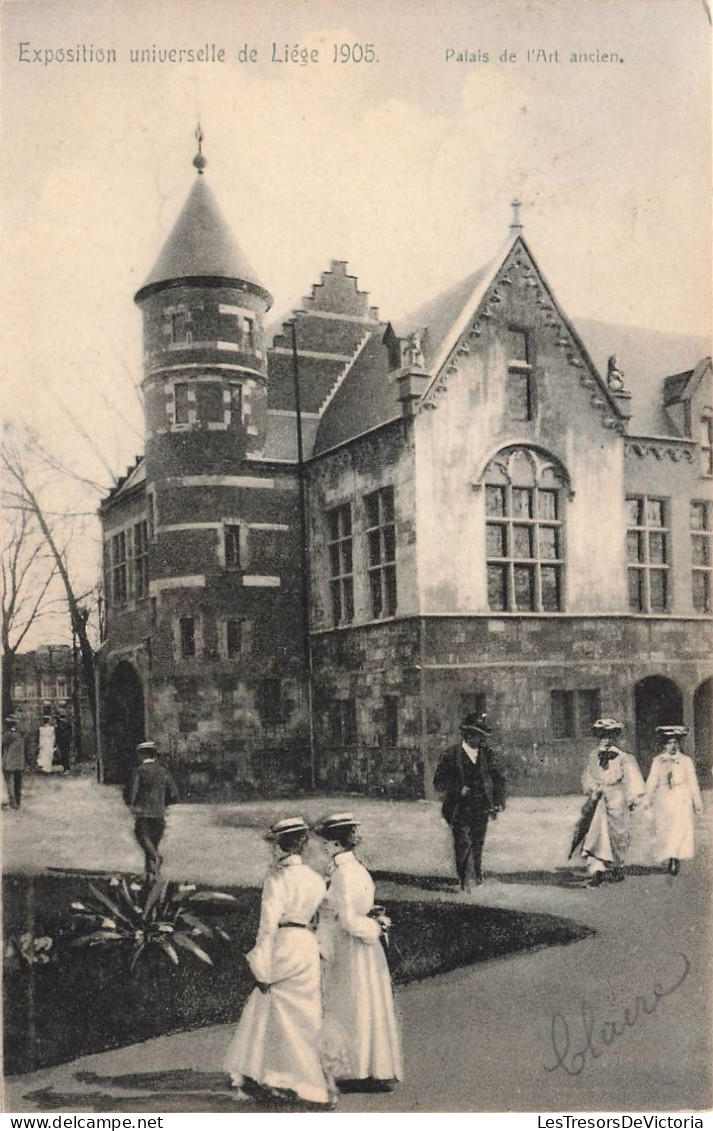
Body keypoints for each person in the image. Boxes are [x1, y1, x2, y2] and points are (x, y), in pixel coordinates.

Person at [223, 817, 331, 1107]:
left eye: (275, 845)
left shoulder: (277, 878)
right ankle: (269, 1073)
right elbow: (321, 918)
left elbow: (267, 925)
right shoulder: (316, 879)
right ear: (302, 845)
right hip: (306, 946)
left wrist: (259, 962)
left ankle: (274, 1075)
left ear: (281, 847)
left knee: (273, 1006)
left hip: (283, 943)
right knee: (303, 1014)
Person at [314, 813, 403, 1095]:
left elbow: (348, 919)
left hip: (351, 948)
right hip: (366, 950)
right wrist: (375, 923)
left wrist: (371, 927)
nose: (324, 848)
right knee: (368, 1003)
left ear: (338, 844)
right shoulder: (358, 870)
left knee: (351, 1004)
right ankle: (371, 1067)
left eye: (327, 843)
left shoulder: (341, 874)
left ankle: (356, 1069)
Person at [433, 712, 506, 891]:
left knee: (477, 842)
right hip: (460, 808)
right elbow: (439, 783)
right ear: (468, 734)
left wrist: (498, 801)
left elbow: (498, 779)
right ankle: (465, 880)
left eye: (482, 736)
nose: (481, 739)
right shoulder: (451, 755)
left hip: (482, 807)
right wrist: (458, 789)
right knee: (463, 842)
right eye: (478, 735)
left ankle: (477, 876)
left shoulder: (487, 754)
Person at [580, 718, 645, 886]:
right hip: (599, 796)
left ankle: (617, 866)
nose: (606, 739)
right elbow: (588, 776)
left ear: (615, 737)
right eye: (603, 736)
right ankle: (597, 870)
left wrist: (632, 797)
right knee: (596, 833)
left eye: (610, 736)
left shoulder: (624, 757)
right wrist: (593, 788)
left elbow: (632, 778)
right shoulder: (594, 755)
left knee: (617, 835)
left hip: (617, 797)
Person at [644, 725, 704, 876]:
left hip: (681, 796)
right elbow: (652, 781)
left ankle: (675, 859)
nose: (673, 746)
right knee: (666, 829)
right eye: (669, 743)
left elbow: (692, 781)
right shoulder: (658, 761)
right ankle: (669, 855)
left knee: (679, 829)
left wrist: (697, 801)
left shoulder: (685, 761)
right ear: (664, 745)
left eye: (675, 743)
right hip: (663, 798)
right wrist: (647, 798)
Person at [126, 741, 180, 879]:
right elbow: (174, 795)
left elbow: (132, 793)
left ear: (142, 754)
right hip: (159, 813)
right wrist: (163, 803)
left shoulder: (139, 771)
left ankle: (156, 859)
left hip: (143, 813)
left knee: (142, 837)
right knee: (153, 842)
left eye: (139, 754)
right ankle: (152, 874)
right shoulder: (163, 771)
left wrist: (131, 805)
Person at [2, 715, 26, 809]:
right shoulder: (20, 734)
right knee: (17, 783)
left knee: (10, 783)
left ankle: (13, 803)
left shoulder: (7, 734)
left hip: (9, 762)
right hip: (19, 762)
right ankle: (17, 802)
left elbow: (3, 745)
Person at [54, 709, 73, 773]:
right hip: (66, 741)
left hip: (63, 741)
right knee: (65, 754)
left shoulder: (61, 722)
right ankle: (66, 767)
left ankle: (66, 768)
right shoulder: (67, 722)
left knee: (63, 755)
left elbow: (59, 731)